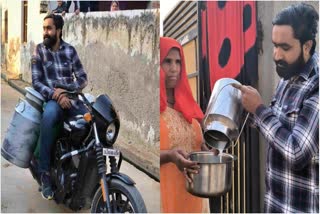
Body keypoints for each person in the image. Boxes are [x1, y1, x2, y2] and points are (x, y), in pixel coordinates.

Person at [232, 3, 319, 213]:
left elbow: (297, 152)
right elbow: (275, 127)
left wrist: (259, 110)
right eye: (275, 45)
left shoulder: (316, 86)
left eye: (285, 47)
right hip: (274, 206)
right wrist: (241, 109)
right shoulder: (287, 77)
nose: (277, 55)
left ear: (307, 46)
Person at [31, 14, 88, 200]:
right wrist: (57, 94)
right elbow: (36, 82)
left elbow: (82, 78)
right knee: (48, 118)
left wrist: (66, 90)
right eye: (44, 28)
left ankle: (87, 168)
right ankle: (45, 172)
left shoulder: (70, 51)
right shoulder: (39, 51)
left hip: (72, 100)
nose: (45, 32)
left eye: (49, 28)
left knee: (91, 119)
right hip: (52, 101)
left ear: (59, 30)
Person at [160, 37, 213, 213]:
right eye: (167, 61)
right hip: (167, 195)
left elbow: (195, 143)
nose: (174, 68)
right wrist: (169, 156)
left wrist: (205, 151)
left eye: (178, 62)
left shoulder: (188, 105)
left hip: (195, 196)